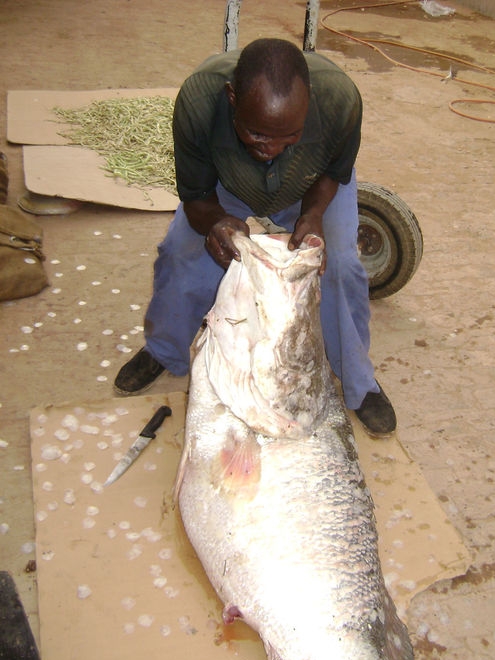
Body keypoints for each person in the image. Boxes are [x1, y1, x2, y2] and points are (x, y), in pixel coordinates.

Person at [114, 38, 396, 437]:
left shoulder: (340, 100)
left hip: (310, 185)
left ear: (310, 101)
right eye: (257, 135)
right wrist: (216, 222)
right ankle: (163, 350)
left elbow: (335, 171)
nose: (273, 149)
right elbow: (196, 198)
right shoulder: (198, 101)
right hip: (227, 186)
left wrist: (313, 215)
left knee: (342, 267)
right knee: (180, 253)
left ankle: (357, 382)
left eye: (289, 136)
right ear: (232, 99)